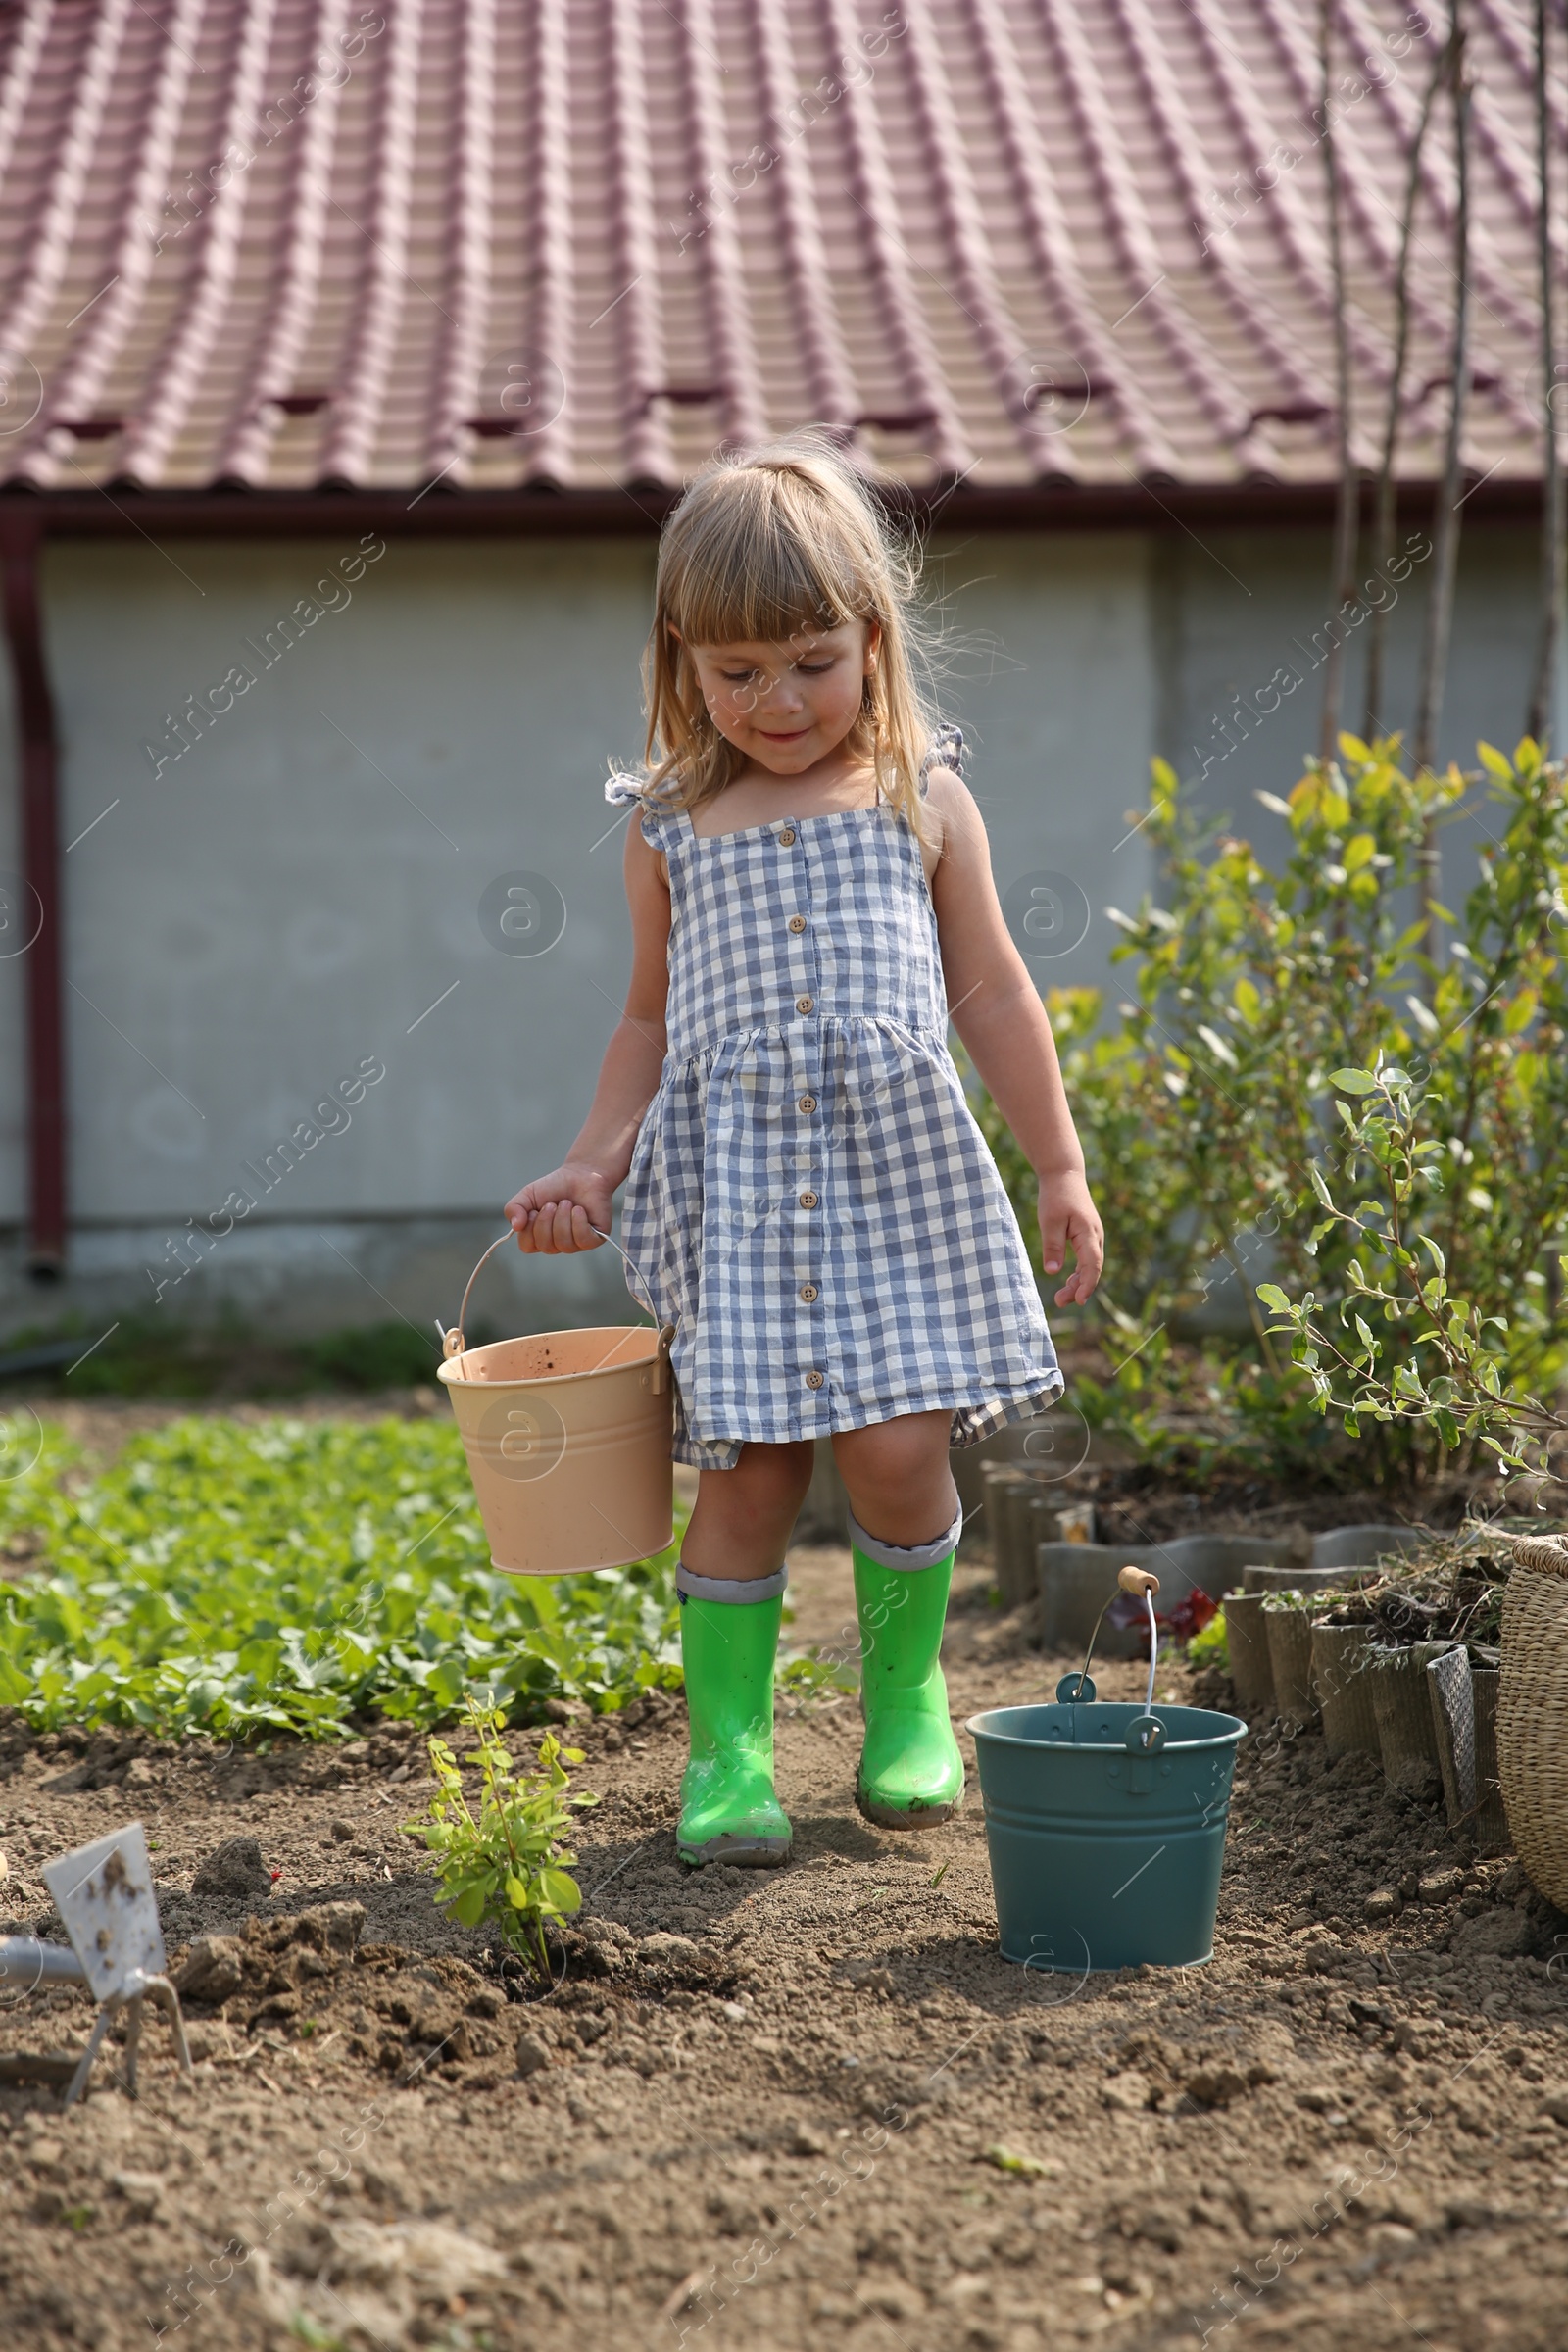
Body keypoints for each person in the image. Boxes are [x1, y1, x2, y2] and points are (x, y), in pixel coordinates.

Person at [505, 433, 1102, 1868]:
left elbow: (999, 994)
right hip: (748, 1202)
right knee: (753, 1473)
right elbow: (644, 1023)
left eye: (810, 661)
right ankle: (729, 1757)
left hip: (895, 1188)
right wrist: (595, 1160)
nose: (777, 700)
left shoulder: (924, 801)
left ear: (873, 641)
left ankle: (904, 1697)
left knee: (898, 1456)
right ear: (683, 664)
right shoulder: (667, 826)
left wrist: (1061, 1163)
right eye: (737, 671)